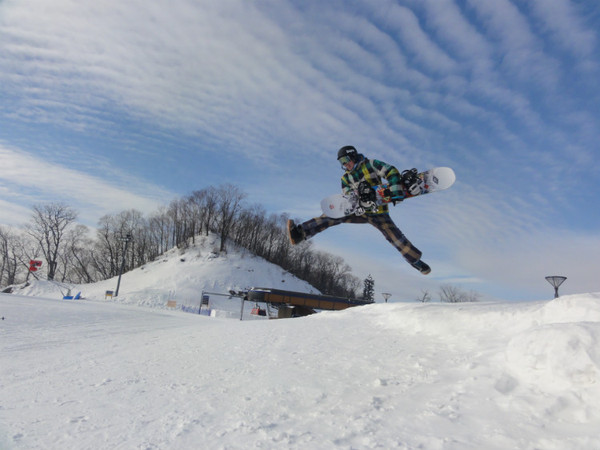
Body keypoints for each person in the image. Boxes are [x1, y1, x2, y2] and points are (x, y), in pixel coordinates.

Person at [286, 145, 431, 274]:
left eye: (346, 160)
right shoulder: (345, 178)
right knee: (332, 215)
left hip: (378, 212)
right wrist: (356, 195)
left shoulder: (371, 164)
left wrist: (395, 189)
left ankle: (415, 261)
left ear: (353, 156)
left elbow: (390, 171)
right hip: (359, 210)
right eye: (341, 163)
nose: (345, 165)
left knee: (393, 235)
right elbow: (346, 195)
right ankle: (300, 233)